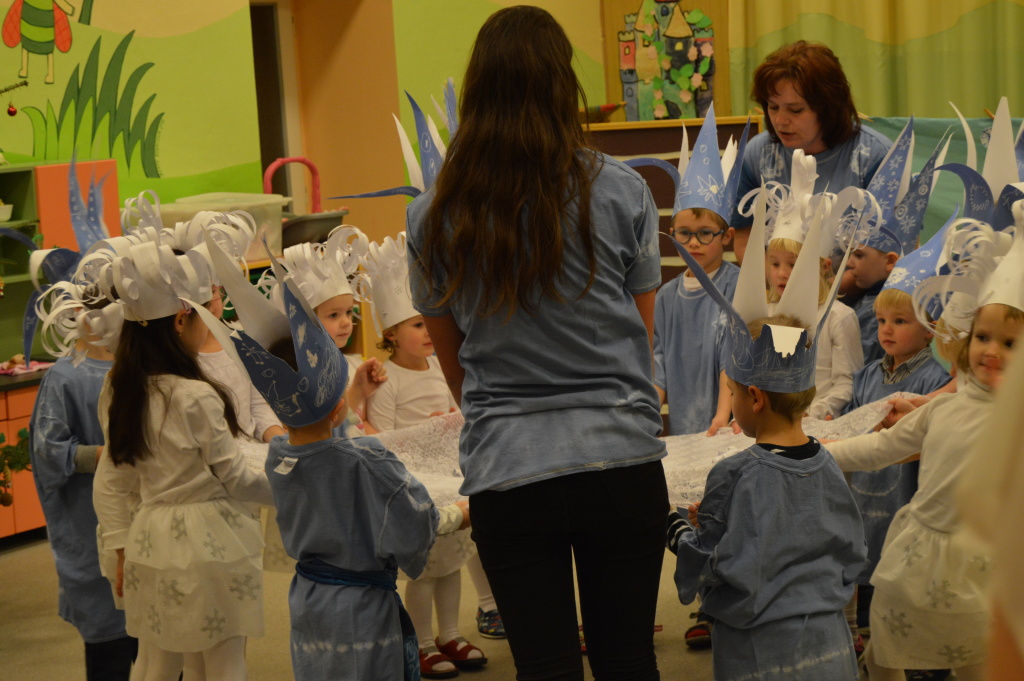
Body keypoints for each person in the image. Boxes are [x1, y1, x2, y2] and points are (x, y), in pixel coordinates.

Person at [406, 7, 668, 680]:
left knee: (544, 667)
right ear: (563, 85)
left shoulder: (434, 214)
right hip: (620, 460)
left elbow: (455, 364)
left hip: (508, 468)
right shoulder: (623, 190)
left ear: (478, 91)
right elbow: (639, 340)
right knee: (629, 659)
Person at [195, 248, 470, 681]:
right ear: (339, 404)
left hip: (308, 600)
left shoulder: (279, 456)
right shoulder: (367, 459)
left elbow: (327, 458)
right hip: (362, 607)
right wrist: (459, 513)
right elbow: (414, 522)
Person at [828, 226, 1024, 680]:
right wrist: (826, 451)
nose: (991, 351)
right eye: (982, 337)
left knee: (976, 659)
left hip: (982, 565)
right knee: (884, 652)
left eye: (1010, 343)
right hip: (916, 557)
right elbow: (883, 447)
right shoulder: (944, 408)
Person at [92, 242, 275, 681]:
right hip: (210, 540)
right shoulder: (195, 396)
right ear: (180, 320)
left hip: (150, 539)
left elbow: (111, 480)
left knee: (157, 662)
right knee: (224, 660)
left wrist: (120, 548)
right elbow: (234, 477)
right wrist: (292, 485)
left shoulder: (121, 390)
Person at [669, 314, 866, 680]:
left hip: (761, 651)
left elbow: (709, 559)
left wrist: (679, 531)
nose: (731, 400)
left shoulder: (733, 474)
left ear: (755, 398)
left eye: (732, 392)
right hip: (829, 644)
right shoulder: (829, 464)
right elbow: (851, 549)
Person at [362, 233, 495, 678]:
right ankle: (420, 643)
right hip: (414, 486)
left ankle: (450, 634)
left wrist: (451, 419)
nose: (428, 332)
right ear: (390, 333)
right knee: (424, 570)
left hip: (451, 481)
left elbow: (461, 409)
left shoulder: (441, 367)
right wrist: (425, 433)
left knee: (452, 561)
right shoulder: (388, 380)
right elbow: (381, 437)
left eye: (428, 323)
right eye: (417, 325)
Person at [840, 224, 953, 644]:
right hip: (863, 487)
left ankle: (895, 643)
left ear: (930, 329)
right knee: (861, 556)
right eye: (881, 321)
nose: (886, 330)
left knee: (897, 567)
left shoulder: (935, 379)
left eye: (900, 321)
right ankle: (861, 634)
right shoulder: (868, 374)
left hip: (903, 490)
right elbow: (851, 423)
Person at [29, 284, 136, 681]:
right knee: (110, 643)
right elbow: (49, 450)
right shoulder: (64, 378)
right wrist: (106, 455)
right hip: (89, 522)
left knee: (155, 639)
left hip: (144, 519)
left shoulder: (134, 371)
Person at [731, 40, 891, 264]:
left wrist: (821, 284)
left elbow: (888, 256)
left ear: (829, 109)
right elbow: (744, 238)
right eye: (772, 107)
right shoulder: (757, 154)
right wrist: (775, 280)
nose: (780, 120)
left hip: (856, 286)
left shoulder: (876, 156)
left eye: (795, 110)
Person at [652, 107, 744, 439]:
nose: (693, 243)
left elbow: (732, 357)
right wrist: (646, 415)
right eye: (684, 233)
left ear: (727, 236)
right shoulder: (665, 297)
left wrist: (722, 416)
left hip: (727, 427)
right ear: (672, 233)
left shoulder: (735, 286)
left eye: (705, 233)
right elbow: (658, 366)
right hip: (684, 431)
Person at [762, 150, 864, 419]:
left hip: (817, 423)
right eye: (775, 264)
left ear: (824, 266)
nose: (782, 274)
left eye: (793, 264)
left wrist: (815, 412)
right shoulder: (765, 313)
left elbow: (847, 382)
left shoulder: (837, 318)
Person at [274, 226, 387, 436]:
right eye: (334, 315)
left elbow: (349, 421)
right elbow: (326, 430)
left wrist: (359, 391)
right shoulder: (303, 374)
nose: (346, 322)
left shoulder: (346, 363)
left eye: (348, 312)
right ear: (306, 322)